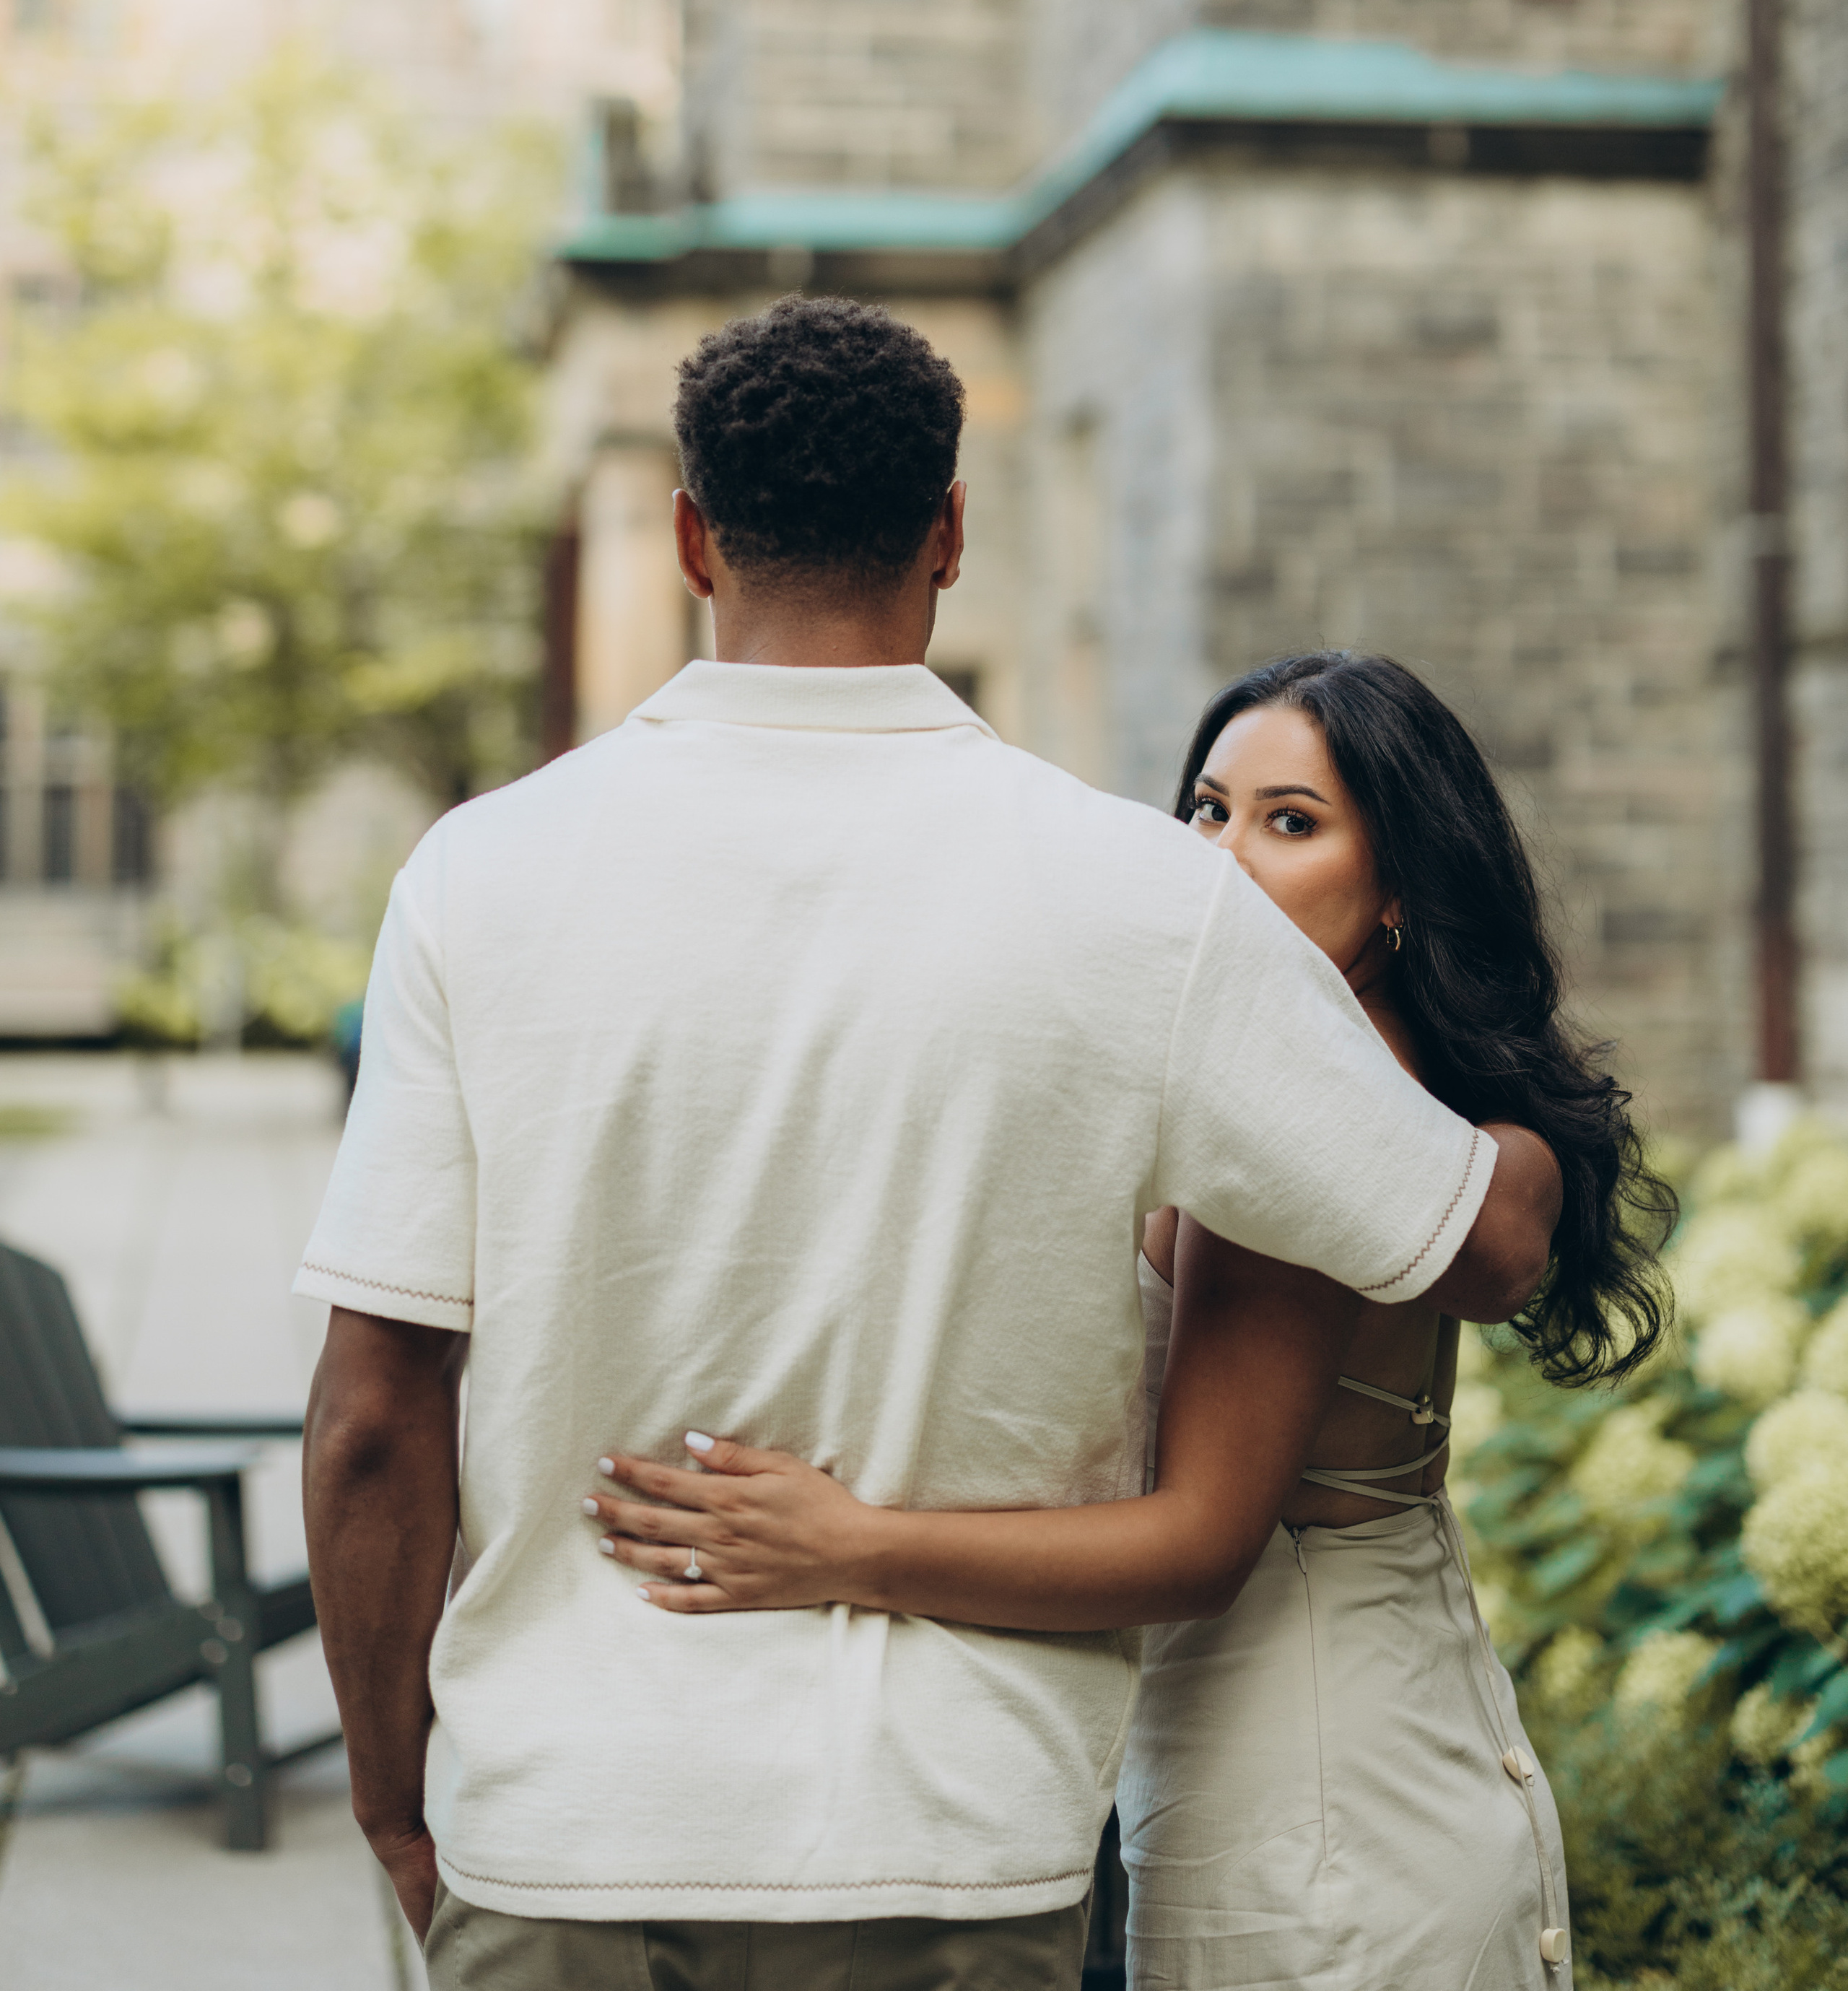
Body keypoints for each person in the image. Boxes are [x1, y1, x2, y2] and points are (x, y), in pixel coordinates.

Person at [300, 300, 1555, 1991]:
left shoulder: (475, 875)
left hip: (559, 1827)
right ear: (950, 533)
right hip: (944, 1846)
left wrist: (393, 1795)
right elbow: (1476, 1244)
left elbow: (374, 1415)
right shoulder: (1143, 900)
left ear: (689, 534)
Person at [586, 650, 1676, 1990]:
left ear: (1397, 890)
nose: (1222, 858)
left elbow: (1200, 1545)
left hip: (1322, 1793)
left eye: (1292, 823)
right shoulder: (1310, 1088)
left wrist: (849, 1548)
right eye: (1207, 812)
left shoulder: (1310, 1131)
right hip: (1335, 1748)